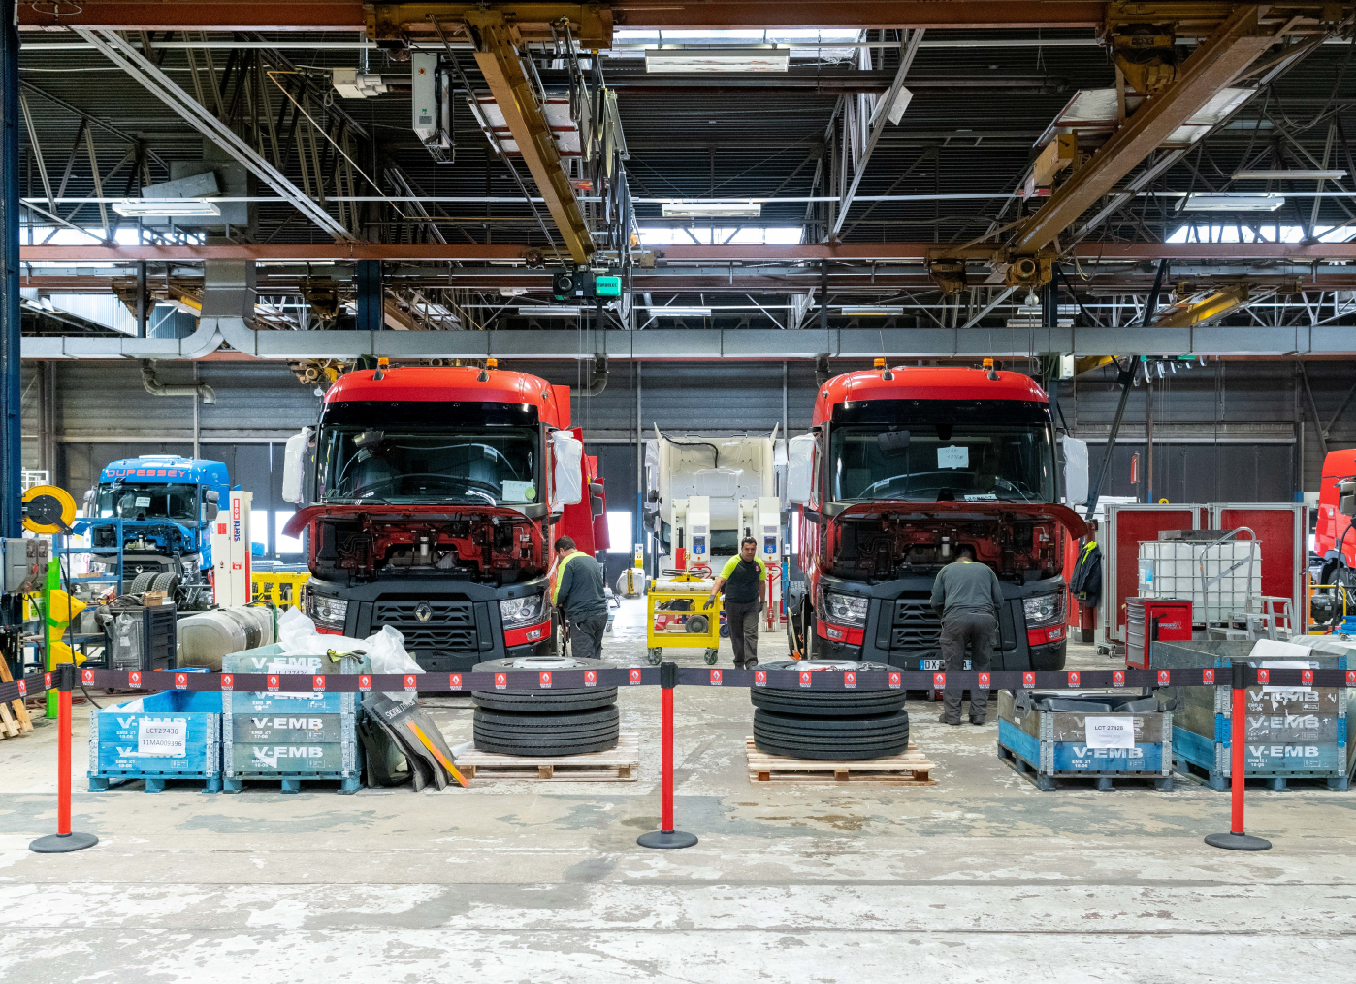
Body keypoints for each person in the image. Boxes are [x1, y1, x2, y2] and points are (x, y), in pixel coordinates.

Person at [929, 544, 1003, 725]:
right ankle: (978, 714)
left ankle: (952, 716)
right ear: (973, 558)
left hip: (956, 620)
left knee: (953, 668)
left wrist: (946, 617)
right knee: (981, 667)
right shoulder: (987, 570)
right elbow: (999, 602)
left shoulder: (946, 570)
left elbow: (936, 601)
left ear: (955, 558)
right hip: (985, 620)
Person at [704, 536, 766, 668]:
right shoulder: (733, 562)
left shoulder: (759, 564)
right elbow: (720, 580)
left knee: (751, 633)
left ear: (756, 549)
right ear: (741, 549)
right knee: (736, 634)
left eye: (753, 549)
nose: (750, 552)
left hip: (751, 604)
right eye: (747, 549)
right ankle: (739, 662)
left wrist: (762, 601)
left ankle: (752, 662)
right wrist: (712, 596)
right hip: (733, 604)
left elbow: (761, 583)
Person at [551, 536, 609, 660]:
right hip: (601, 615)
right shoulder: (592, 559)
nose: (559, 558)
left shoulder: (567, 562)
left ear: (561, 551)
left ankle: (585, 678)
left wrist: (555, 602)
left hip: (583, 617)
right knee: (595, 655)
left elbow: (561, 591)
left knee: (583, 659)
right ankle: (595, 678)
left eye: (558, 555)